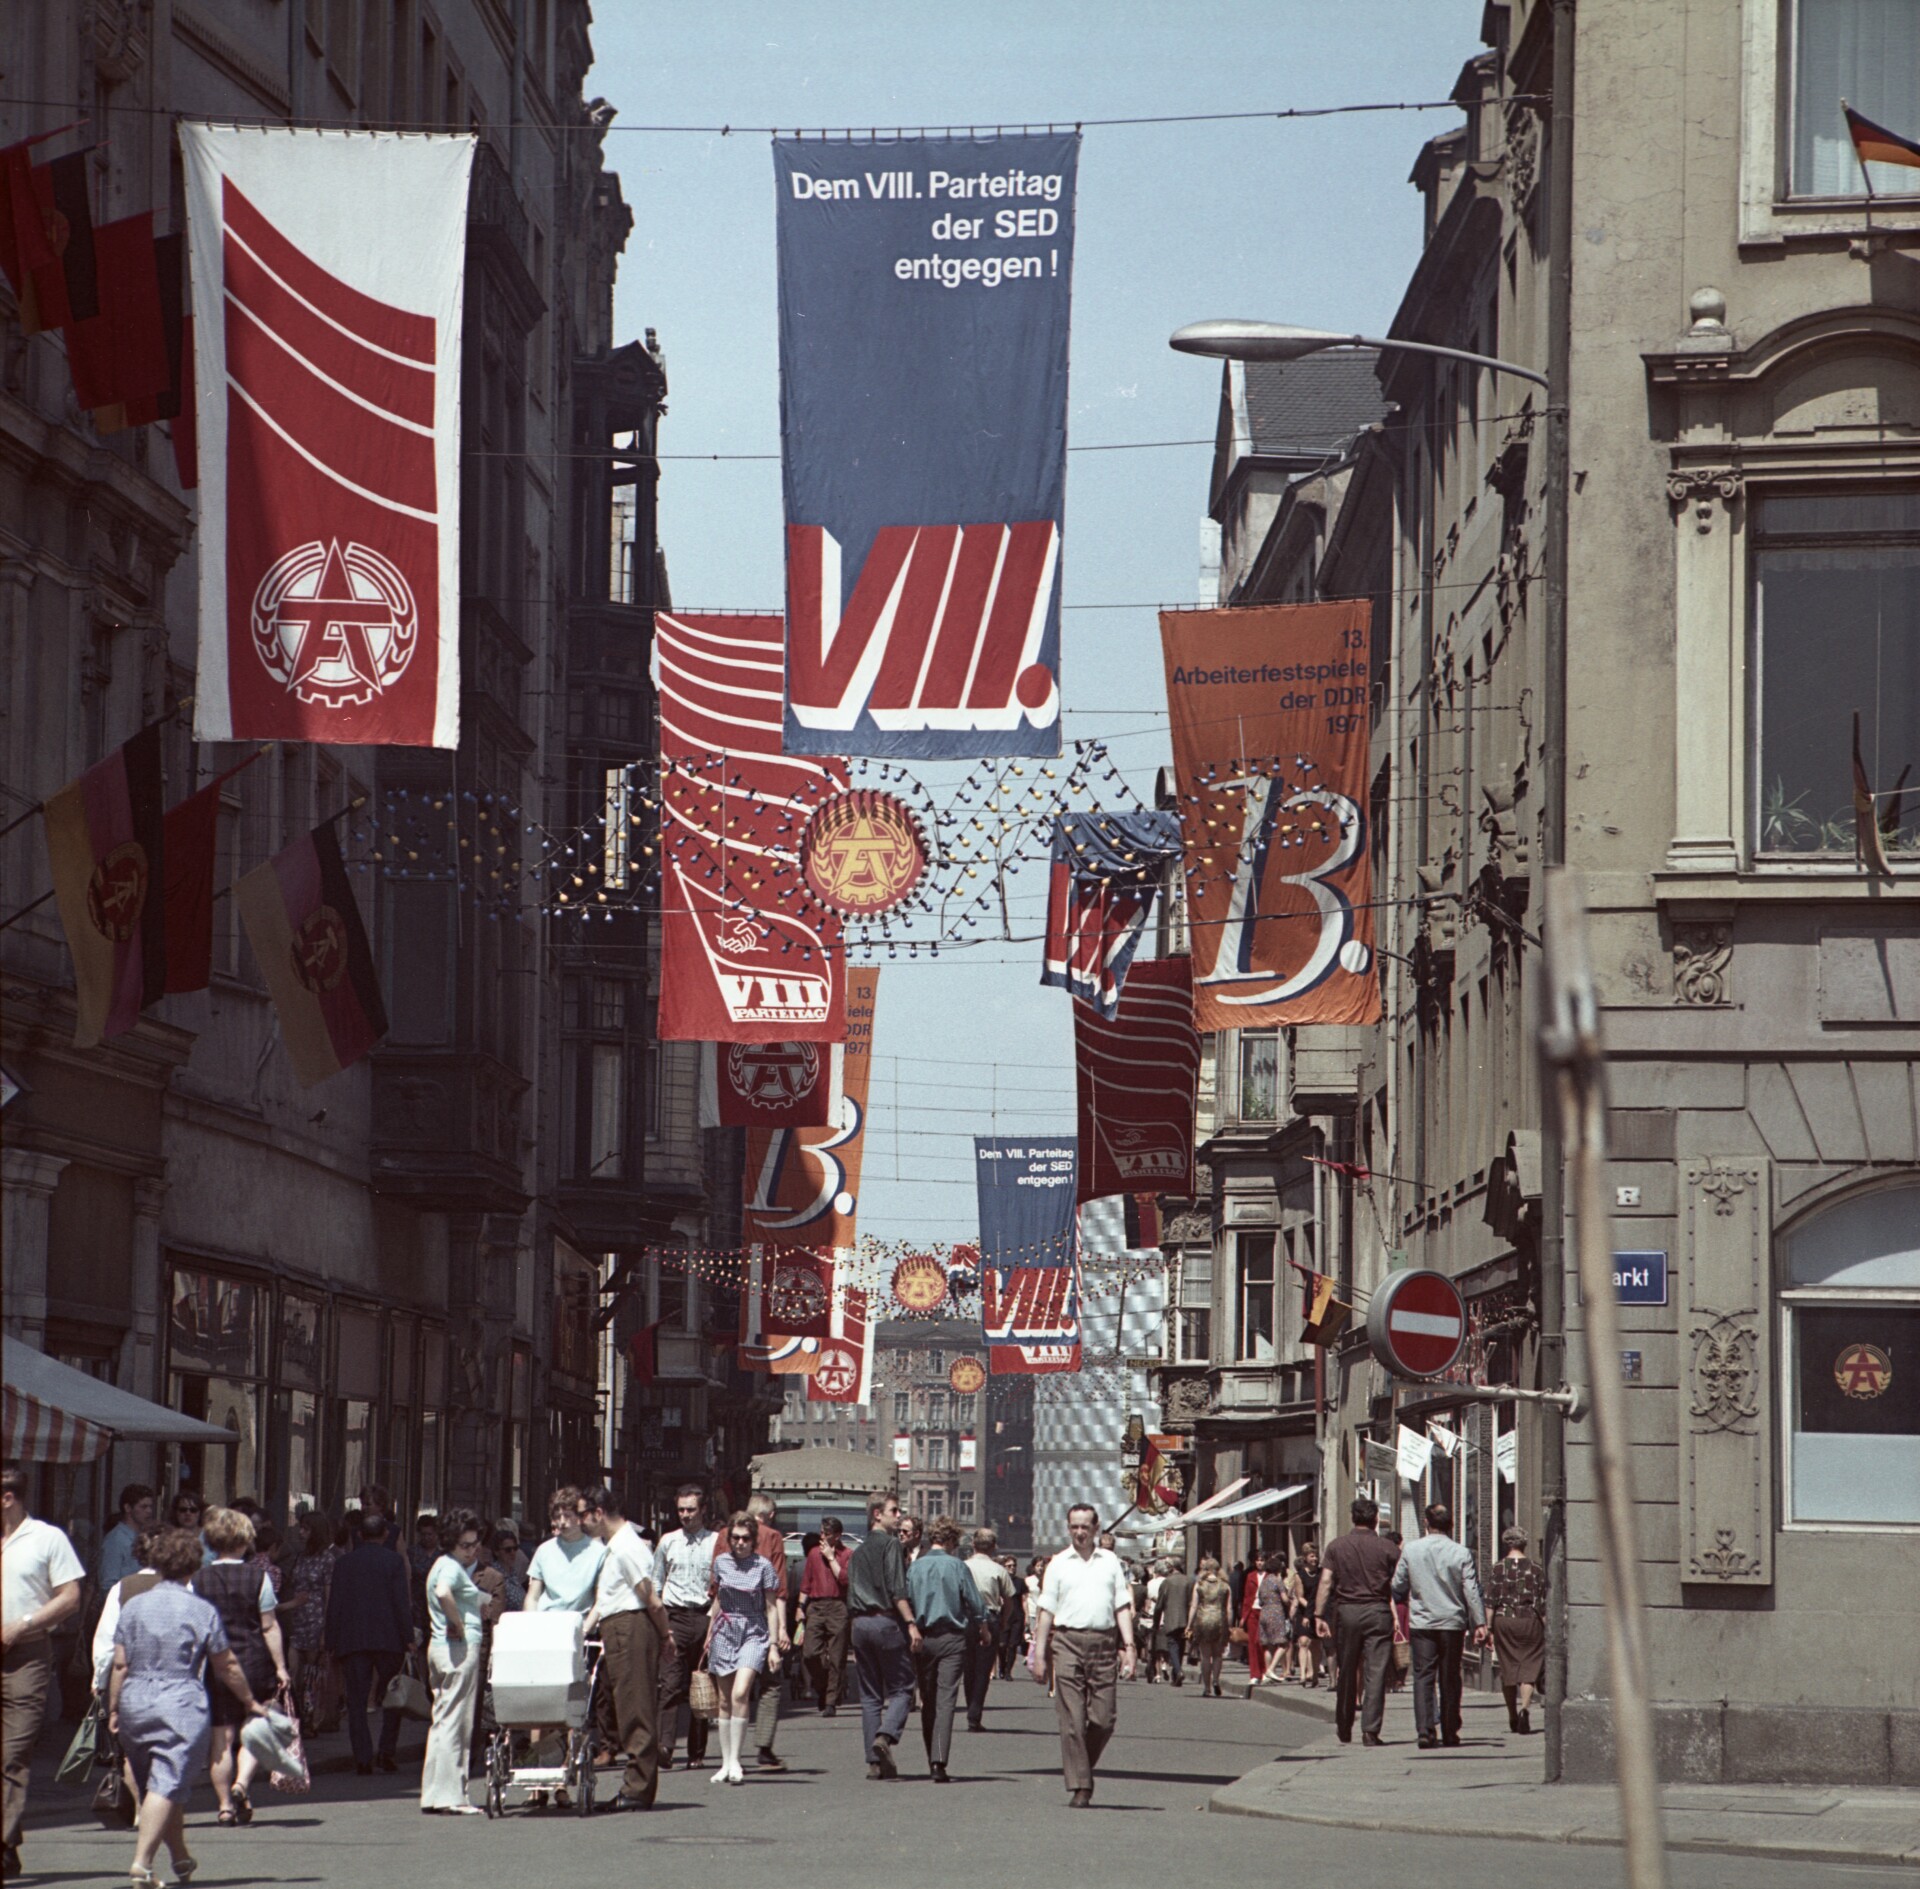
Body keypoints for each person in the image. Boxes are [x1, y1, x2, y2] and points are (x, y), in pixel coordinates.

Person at [108, 1526, 270, 1886]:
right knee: (166, 1783)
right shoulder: (199, 1610)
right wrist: (249, 1701)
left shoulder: (134, 1606)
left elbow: (120, 1663)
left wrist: (114, 1706)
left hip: (136, 1699)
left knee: (163, 1786)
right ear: (193, 1566)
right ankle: (142, 1863)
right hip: (179, 1701)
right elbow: (225, 1664)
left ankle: (180, 1857)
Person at [2, 1468, 85, 1877]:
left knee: (12, 1751)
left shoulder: (47, 1538)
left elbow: (70, 1597)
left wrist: (24, 1624)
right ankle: (8, 1837)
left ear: (8, 1499)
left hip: (26, 1656)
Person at [1033, 1505, 1136, 1807]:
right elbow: (1046, 1611)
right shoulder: (1058, 1563)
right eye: (1074, 1527)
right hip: (1066, 1642)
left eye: (1085, 1527)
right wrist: (1039, 1655)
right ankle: (1082, 1785)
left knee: (1104, 1720)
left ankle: (1081, 1767)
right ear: (1068, 1528)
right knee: (1073, 1720)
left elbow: (1121, 1605)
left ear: (1096, 1528)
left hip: (1104, 1643)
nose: (1079, 1533)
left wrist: (1129, 1647)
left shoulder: (1110, 1562)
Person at [193, 1505, 289, 1824]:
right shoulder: (258, 1577)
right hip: (253, 1660)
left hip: (215, 1664)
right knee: (254, 1727)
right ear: (244, 1541)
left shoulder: (198, 1580)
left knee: (222, 1737)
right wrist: (281, 1666)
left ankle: (223, 1806)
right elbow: (269, 1626)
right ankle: (241, 1784)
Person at [578, 1483, 669, 1809]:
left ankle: (637, 1789)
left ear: (598, 1514)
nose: (580, 1522)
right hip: (618, 1626)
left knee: (635, 1707)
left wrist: (665, 1635)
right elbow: (605, 1600)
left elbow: (651, 1599)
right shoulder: (614, 1546)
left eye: (582, 1515)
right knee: (625, 1704)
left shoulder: (627, 1547)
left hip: (631, 1626)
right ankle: (635, 1785)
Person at [419, 1507, 502, 1814]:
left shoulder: (441, 1564)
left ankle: (434, 1792)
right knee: (457, 1723)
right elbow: (444, 1593)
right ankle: (452, 1796)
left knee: (442, 1721)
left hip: (440, 1649)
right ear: (451, 1543)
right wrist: (458, 1623)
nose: (471, 1551)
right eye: (465, 1545)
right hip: (458, 1650)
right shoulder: (451, 1568)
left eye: (475, 1544)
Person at [326, 1507, 415, 1775]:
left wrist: (330, 1640)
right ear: (385, 1534)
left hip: (354, 1640)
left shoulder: (344, 1564)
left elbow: (335, 1604)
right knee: (392, 1698)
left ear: (360, 1535)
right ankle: (386, 1752)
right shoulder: (393, 1562)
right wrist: (409, 1638)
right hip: (389, 1639)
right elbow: (401, 1603)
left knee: (356, 1700)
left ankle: (362, 1757)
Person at [1392, 1503, 1486, 1748]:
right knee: (1450, 1677)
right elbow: (1471, 1590)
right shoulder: (1461, 1553)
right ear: (1451, 1525)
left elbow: (1398, 1584)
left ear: (1426, 1523)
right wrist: (1480, 1622)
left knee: (1423, 1676)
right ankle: (1450, 1730)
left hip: (1422, 1622)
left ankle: (1425, 1729)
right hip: (1452, 1623)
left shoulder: (1411, 1550)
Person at [704, 1512, 784, 1786]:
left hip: (753, 1631)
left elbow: (772, 1607)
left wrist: (773, 1645)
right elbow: (717, 1600)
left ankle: (737, 1759)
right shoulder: (720, 1564)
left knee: (741, 1693)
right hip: (724, 1631)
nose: (740, 1543)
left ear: (753, 1540)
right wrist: (708, 1633)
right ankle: (725, 1762)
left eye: (745, 1538)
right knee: (724, 1701)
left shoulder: (763, 1566)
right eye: (735, 1538)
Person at [1314, 1495, 1400, 1747]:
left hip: (1347, 1612)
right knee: (1376, 1671)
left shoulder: (1336, 1546)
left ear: (1353, 1518)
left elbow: (1326, 1582)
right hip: (1377, 1610)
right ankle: (1370, 1731)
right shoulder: (1388, 1548)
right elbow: (1401, 1580)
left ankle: (1344, 1724)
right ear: (1375, 1520)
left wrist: (1319, 1615)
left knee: (1347, 1669)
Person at [847, 1493, 920, 1778]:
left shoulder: (858, 1551)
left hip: (860, 1625)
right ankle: (885, 1735)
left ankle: (874, 1764)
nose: (898, 1515)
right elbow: (897, 1590)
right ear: (877, 1514)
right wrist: (911, 1623)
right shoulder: (891, 1545)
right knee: (903, 1687)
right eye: (894, 1510)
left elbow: (850, 1589)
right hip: (885, 1623)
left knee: (870, 1696)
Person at [906, 1516, 983, 1781]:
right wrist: (982, 1624)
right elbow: (974, 1601)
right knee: (946, 1699)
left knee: (928, 1699)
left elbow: (907, 1599)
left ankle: (932, 1757)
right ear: (951, 1540)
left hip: (923, 1638)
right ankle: (939, 1760)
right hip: (952, 1637)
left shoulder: (916, 1567)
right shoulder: (957, 1566)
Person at [653, 1483, 718, 1771]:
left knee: (700, 1686)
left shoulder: (717, 1542)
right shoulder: (668, 1541)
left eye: (691, 1509)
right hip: (675, 1616)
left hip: (704, 1616)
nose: (685, 1515)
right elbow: (656, 1582)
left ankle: (697, 1750)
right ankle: (665, 1746)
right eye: (681, 1509)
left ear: (703, 1510)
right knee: (669, 1683)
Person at [743, 1492, 791, 1772]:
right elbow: (779, 1588)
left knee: (733, 1686)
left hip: (731, 1616)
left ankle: (730, 1751)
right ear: (770, 1515)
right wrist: (782, 1628)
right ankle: (763, 1746)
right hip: (763, 1615)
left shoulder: (726, 1534)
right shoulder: (772, 1537)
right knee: (770, 1683)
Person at [1486, 1527, 1548, 1735]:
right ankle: (1524, 1709)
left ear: (1506, 1544)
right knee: (1529, 1667)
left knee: (1508, 1667)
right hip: (1530, 1620)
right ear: (1524, 1543)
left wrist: (1488, 1627)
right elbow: (1542, 1602)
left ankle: (1512, 1714)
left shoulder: (1497, 1569)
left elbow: (1490, 1601)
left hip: (1505, 1620)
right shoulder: (1536, 1569)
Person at [280, 1511, 337, 1726]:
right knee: (293, 1671)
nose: (301, 1532)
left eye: (306, 1528)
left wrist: (325, 1628)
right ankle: (296, 1715)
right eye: (300, 1528)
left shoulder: (327, 1559)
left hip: (316, 1620)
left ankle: (311, 1718)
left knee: (312, 1674)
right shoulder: (300, 1557)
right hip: (298, 1620)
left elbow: (329, 1595)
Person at [798, 1515, 853, 1715]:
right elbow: (806, 1582)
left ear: (837, 1536)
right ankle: (822, 1686)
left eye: (827, 1534)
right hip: (816, 1605)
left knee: (837, 1656)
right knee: (810, 1653)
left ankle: (830, 1701)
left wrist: (831, 1557)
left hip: (838, 1605)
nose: (822, 1537)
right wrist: (799, 1608)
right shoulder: (813, 1554)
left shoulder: (847, 1554)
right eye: (821, 1533)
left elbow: (845, 1580)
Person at [961, 1527, 1014, 1728]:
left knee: (968, 1667)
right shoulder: (998, 1570)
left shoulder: (962, 1566)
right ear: (993, 1547)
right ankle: (975, 1713)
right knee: (983, 1669)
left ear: (973, 1545)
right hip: (990, 1616)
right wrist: (1004, 1620)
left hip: (966, 1618)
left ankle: (970, 1708)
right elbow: (1009, 1600)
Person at [524, 1486, 604, 1615]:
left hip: (580, 1625)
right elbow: (533, 1597)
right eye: (557, 1516)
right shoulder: (543, 1551)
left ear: (579, 1517)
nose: (561, 1522)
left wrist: (585, 1629)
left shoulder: (599, 1552)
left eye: (567, 1515)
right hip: (546, 1622)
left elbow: (601, 1600)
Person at [97, 1484, 158, 1592]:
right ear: (128, 1508)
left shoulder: (144, 1537)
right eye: (143, 1507)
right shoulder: (116, 1540)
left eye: (150, 1507)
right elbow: (108, 1583)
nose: (149, 1511)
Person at [1187, 1556, 1233, 1697]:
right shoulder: (1225, 1585)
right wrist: (1229, 1625)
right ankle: (1216, 1680)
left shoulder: (1199, 1584)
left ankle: (1207, 1687)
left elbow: (1194, 1606)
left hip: (1202, 1620)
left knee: (1205, 1656)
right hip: (1219, 1621)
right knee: (1218, 1655)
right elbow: (1229, 1608)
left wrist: (1189, 1625)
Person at [1152, 1558, 1193, 1689]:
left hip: (1171, 1619)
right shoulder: (1189, 1581)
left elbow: (1159, 1604)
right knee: (1180, 1646)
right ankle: (1176, 1676)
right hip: (1185, 1620)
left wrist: (1156, 1622)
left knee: (1172, 1646)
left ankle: (1178, 1671)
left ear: (1171, 1567)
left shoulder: (1167, 1582)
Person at [1255, 1554, 1290, 1685]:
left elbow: (1259, 1599)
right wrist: (1290, 1603)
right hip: (1276, 1612)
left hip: (1263, 1613)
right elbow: (1285, 1598)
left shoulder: (1263, 1582)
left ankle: (1266, 1675)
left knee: (1268, 1645)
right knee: (1283, 1644)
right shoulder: (1277, 1580)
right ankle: (1271, 1669)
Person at [1291, 1545, 1324, 1685]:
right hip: (1304, 1612)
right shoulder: (1300, 1575)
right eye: (1311, 1556)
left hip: (1320, 1612)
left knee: (1316, 1645)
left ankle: (1315, 1674)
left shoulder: (1322, 1573)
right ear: (1305, 1558)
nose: (1314, 1559)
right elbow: (1300, 1597)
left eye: (1316, 1556)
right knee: (1303, 1642)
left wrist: (1319, 1610)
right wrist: (1311, 1611)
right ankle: (1303, 1675)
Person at [1239, 1550, 1268, 1682]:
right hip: (1253, 1611)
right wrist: (1243, 1616)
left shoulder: (1270, 1576)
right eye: (1258, 1560)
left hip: (1265, 1611)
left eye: (1262, 1560)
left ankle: (1264, 1671)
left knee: (1262, 1642)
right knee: (1252, 1643)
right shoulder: (1250, 1576)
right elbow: (1246, 1597)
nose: (1260, 1562)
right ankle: (1255, 1674)